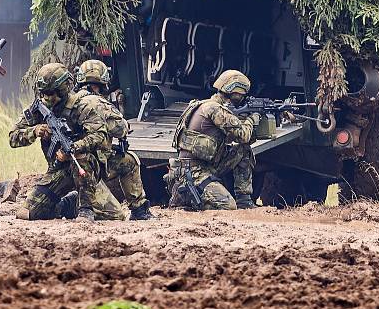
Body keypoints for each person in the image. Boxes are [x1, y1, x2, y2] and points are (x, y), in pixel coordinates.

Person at [9, 62, 126, 221]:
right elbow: (13, 137)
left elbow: (99, 135)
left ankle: (85, 208)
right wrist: (34, 131)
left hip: (85, 170)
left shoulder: (82, 105)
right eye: (45, 93)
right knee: (27, 214)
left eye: (53, 93)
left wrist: (74, 147)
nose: (49, 98)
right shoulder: (39, 108)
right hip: (59, 170)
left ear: (64, 89)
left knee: (114, 215)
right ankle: (68, 205)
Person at [167, 69, 258, 210]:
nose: (242, 97)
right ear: (234, 91)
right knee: (228, 206)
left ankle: (244, 200)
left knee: (243, 149)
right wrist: (252, 119)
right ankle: (191, 203)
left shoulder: (206, 105)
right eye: (241, 94)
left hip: (202, 167)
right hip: (195, 173)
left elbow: (239, 140)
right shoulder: (215, 109)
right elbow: (243, 134)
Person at [75, 59, 153, 220]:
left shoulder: (71, 100)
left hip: (73, 165)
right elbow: (121, 129)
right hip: (89, 169)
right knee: (130, 162)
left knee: (127, 160)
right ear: (103, 81)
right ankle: (139, 211)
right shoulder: (101, 104)